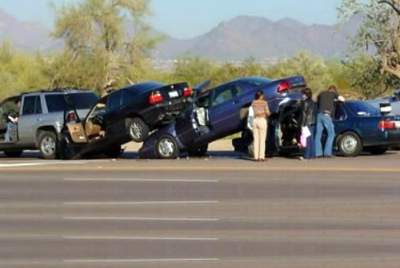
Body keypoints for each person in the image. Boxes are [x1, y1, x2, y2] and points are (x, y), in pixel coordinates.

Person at [315, 85, 344, 158]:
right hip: (327, 115)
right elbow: (342, 99)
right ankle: (327, 153)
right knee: (331, 134)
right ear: (334, 90)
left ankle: (318, 153)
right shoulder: (333, 94)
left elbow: (317, 102)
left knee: (318, 135)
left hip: (319, 115)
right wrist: (336, 100)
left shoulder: (321, 93)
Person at [248, 91, 271, 161]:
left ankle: (256, 157)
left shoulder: (253, 103)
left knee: (256, 139)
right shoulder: (264, 103)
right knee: (262, 140)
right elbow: (268, 112)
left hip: (255, 121)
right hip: (262, 120)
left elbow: (251, 112)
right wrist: (268, 113)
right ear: (261, 96)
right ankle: (261, 156)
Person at [301, 88, 317, 159]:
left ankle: (306, 155)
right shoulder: (313, 102)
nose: (302, 95)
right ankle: (312, 155)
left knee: (307, 139)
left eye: (303, 94)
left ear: (306, 94)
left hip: (307, 122)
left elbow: (304, 114)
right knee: (311, 139)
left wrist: (302, 124)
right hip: (313, 122)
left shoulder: (305, 102)